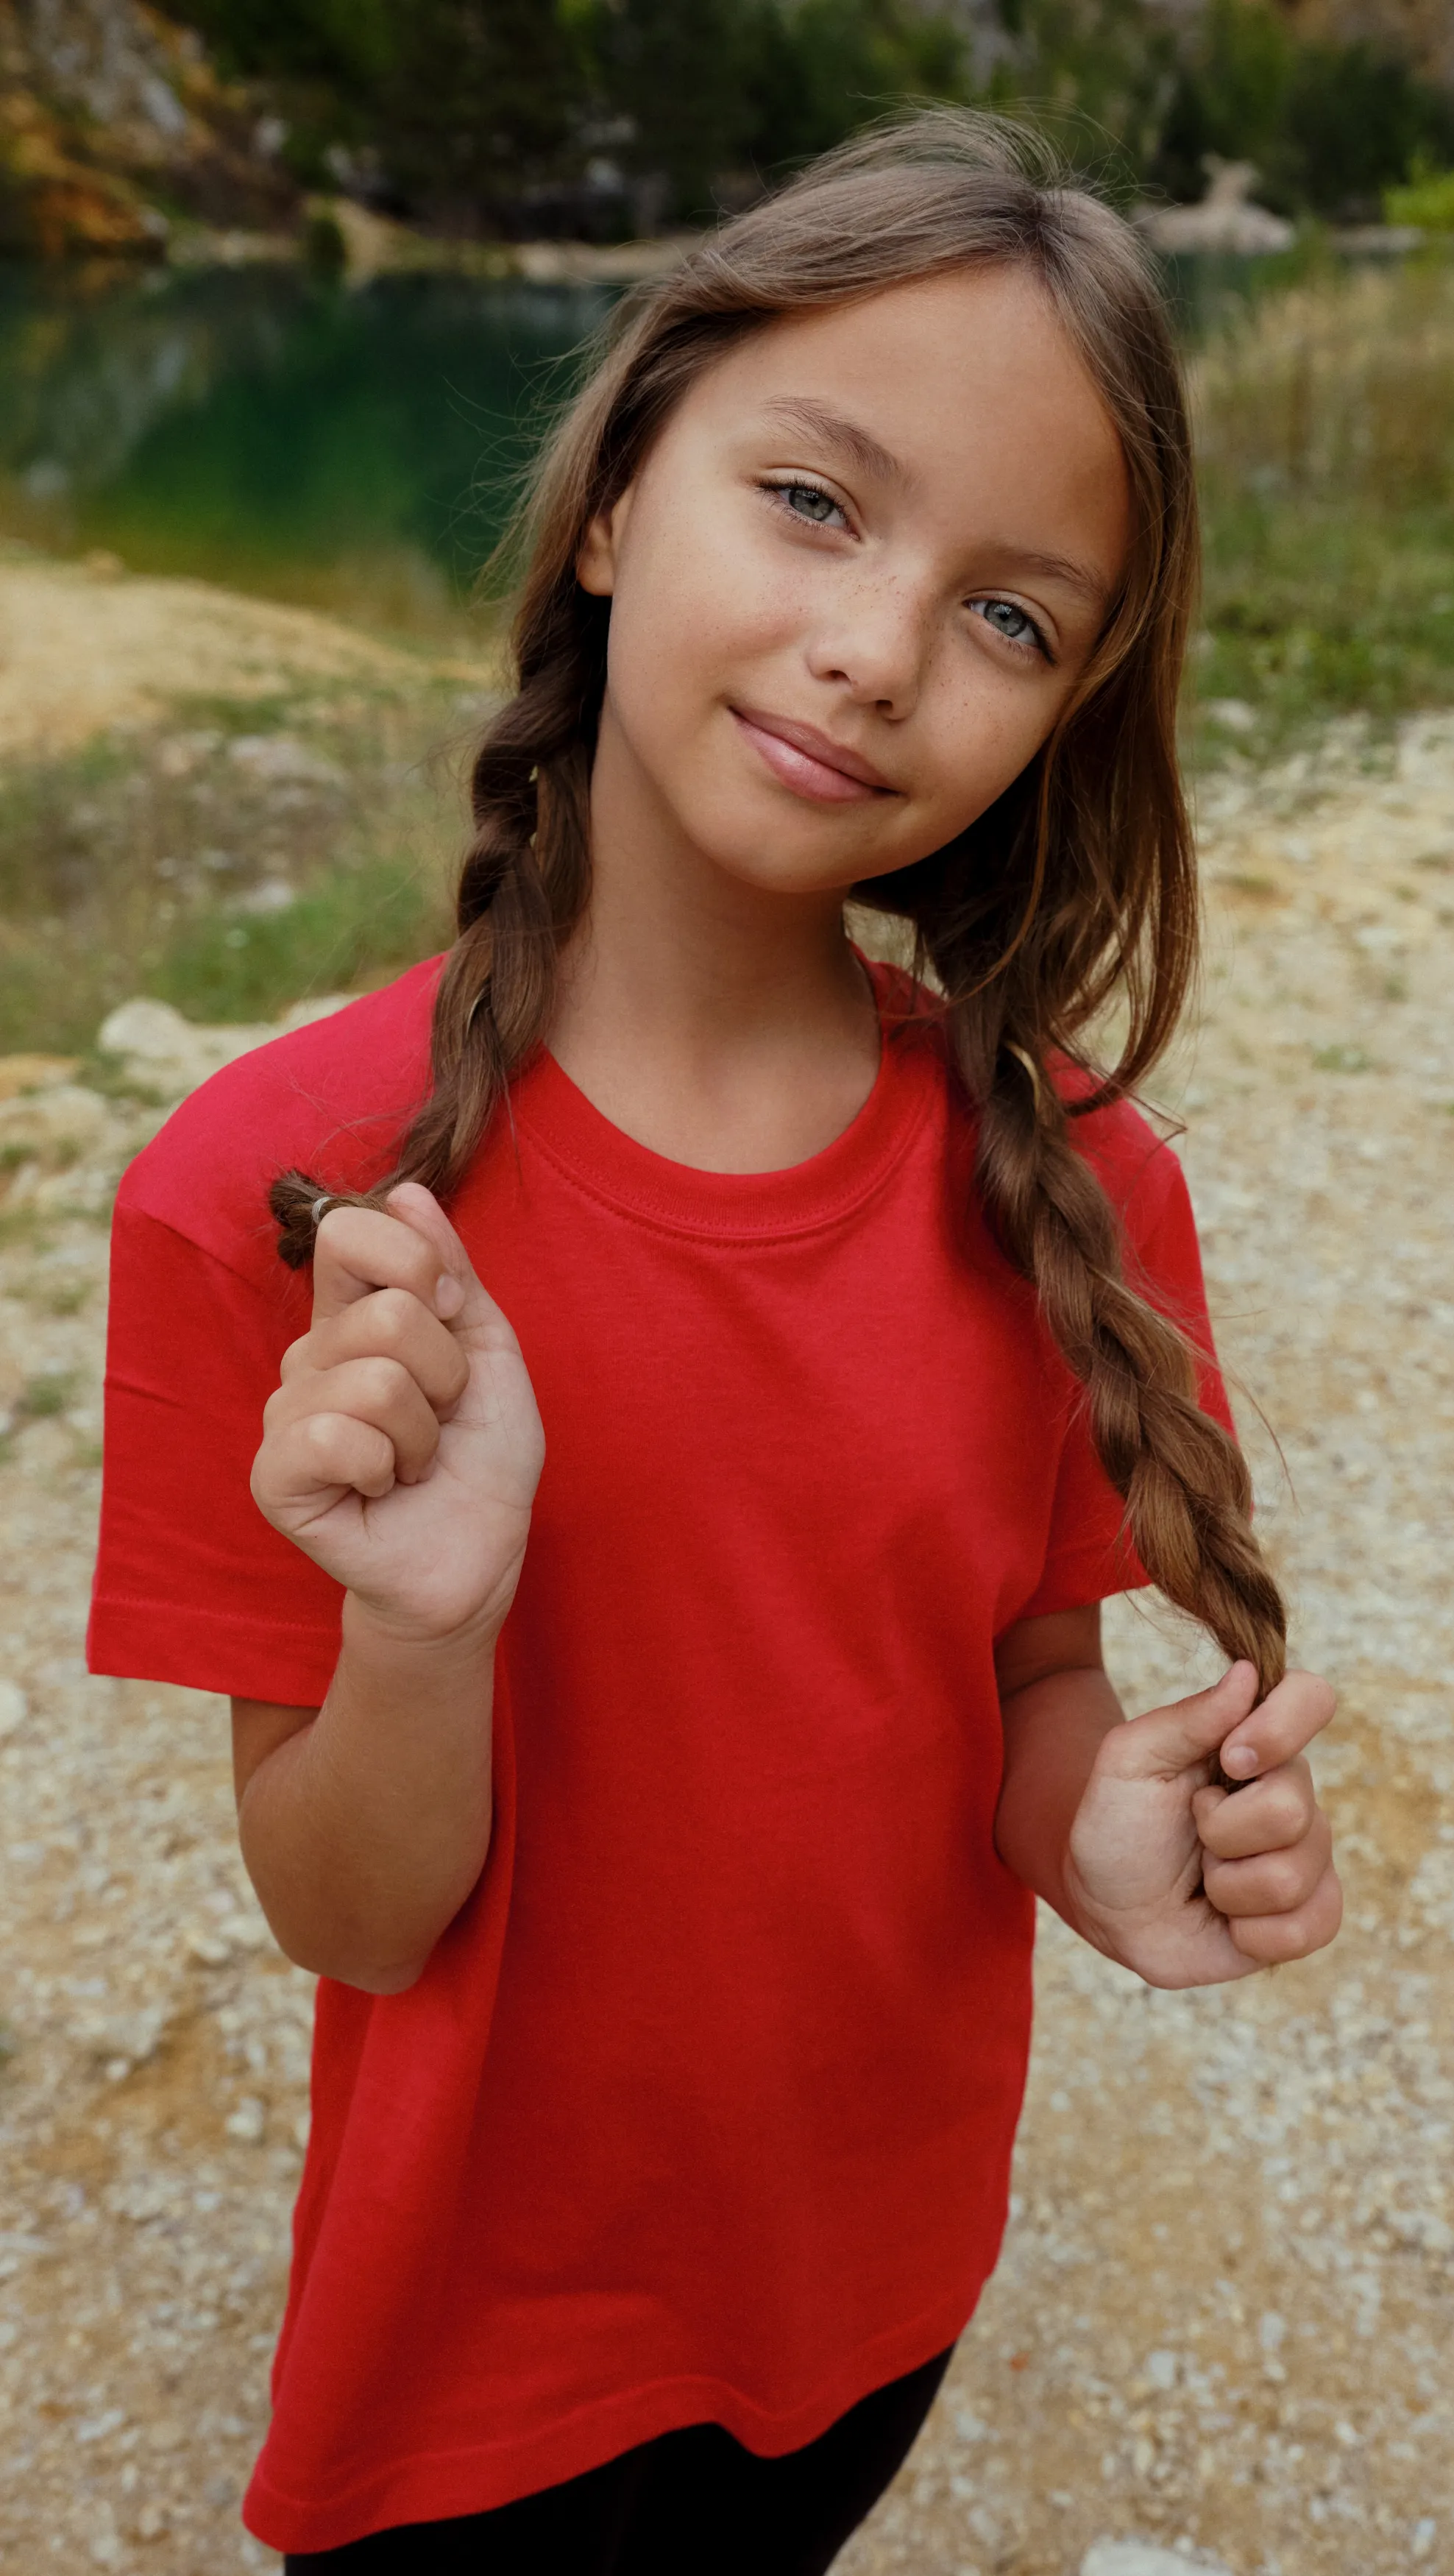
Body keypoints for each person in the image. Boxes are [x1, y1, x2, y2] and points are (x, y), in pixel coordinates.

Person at [89, 111, 1341, 2575]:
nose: (879, 648)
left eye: (1012, 618)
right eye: (812, 501)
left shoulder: (1081, 1186)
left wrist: (1090, 1822)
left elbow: (1026, 1678)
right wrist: (425, 1621)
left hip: (873, 2294)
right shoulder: (284, 1192)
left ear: (1069, 710)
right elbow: (352, 1913)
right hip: (475, 2377)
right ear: (614, 491)